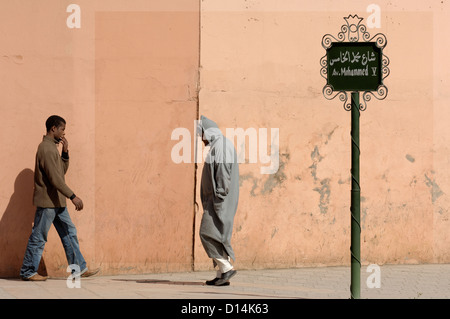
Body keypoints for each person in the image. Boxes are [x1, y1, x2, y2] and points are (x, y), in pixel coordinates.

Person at [20, 115, 99, 281]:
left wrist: (65, 153)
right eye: (62, 129)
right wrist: (73, 196)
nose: (64, 132)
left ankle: (78, 267)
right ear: (53, 129)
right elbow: (55, 179)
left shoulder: (52, 149)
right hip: (48, 203)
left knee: (69, 233)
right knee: (39, 236)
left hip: (57, 201)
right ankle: (28, 271)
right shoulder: (46, 149)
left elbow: (61, 172)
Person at [197, 115, 239, 286]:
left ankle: (227, 268)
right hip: (216, 200)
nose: (201, 138)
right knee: (218, 236)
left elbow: (222, 171)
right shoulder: (218, 145)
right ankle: (221, 275)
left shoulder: (221, 145)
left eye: (202, 134)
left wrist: (219, 195)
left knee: (207, 233)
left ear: (208, 132)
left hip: (219, 200)